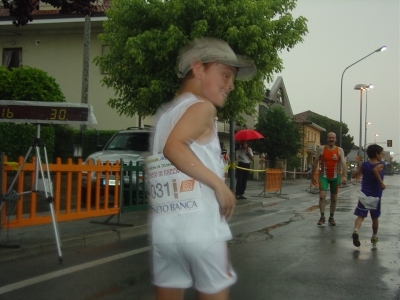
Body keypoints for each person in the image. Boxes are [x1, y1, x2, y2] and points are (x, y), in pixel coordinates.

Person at [147, 37, 256, 300]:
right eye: (225, 74)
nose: (230, 85)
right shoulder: (203, 108)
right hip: (201, 229)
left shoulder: (166, 115)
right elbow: (174, 148)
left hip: (166, 230)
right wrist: (218, 184)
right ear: (198, 69)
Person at [351, 144, 386, 247]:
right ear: (377, 154)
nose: (382, 156)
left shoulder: (364, 164)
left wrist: (349, 176)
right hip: (375, 196)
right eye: (381, 154)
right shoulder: (382, 164)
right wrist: (381, 183)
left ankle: (356, 230)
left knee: (360, 216)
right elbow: (375, 170)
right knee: (375, 217)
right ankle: (374, 236)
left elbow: (355, 174)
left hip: (364, 195)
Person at [311, 132, 347, 226]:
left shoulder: (339, 150)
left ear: (336, 139)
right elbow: (315, 162)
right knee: (322, 196)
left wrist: (344, 176)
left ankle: (331, 217)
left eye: (333, 138)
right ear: (327, 139)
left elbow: (343, 163)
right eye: (329, 138)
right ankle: (322, 217)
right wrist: (312, 176)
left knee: (334, 198)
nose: (331, 139)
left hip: (335, 177)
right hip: (324, 177)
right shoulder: (321, 149)